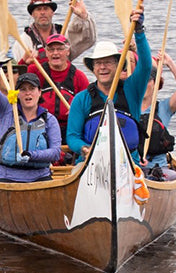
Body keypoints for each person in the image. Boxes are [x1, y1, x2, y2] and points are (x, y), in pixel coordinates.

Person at [64, 9, 153, 164]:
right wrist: (85, 149)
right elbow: (72, 136)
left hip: (128, 162)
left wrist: (139, 32)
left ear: (118, 65)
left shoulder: (132, 90)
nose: (102, 67)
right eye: (98, 63)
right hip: (91, 162)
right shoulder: (81, 99)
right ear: (93, 68)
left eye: (108, 62)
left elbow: (146, 65)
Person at [0, 62, 61, 183]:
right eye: (23, 89)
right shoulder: (6, 111)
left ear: (39, 92)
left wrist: (31, 155)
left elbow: (55, 153)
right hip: (7, 175)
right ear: (18, 94)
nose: (28, 93)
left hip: (40, 176)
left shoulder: (49, 120)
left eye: (32, 88)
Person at [138, 51, 176, 180]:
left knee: (170, 177)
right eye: (140, 80)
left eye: (148, 80)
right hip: (133, 167)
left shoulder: (164, 108)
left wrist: (170, 64)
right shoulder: (128, 107)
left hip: (158, 168)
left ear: (156, 83)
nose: (144, 84)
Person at [31, 33, 89, 141]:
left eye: (60, 49)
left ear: (68, 51)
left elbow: (88, 105)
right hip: (41, 125)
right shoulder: (36, 71)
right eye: (51, 49)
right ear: (46, 53)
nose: (55, 53)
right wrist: (24, 61)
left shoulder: (79, 76)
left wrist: (77, 108)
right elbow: (20, 91)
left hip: (68, 128)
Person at [21, 0, 96, 62]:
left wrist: (83, 16)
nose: (43, 12)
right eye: (38, 9)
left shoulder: (63, 34)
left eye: (46, 9)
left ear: (52, 12)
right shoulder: (23, 40)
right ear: (32, 14)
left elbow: (88, 39)